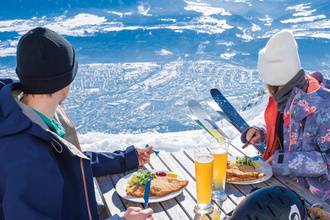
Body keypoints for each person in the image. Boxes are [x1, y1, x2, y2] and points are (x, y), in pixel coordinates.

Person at [0, 27, 154, 220]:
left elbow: (66, 161)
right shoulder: (28, 158)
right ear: (64, 80)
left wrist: (125, 159)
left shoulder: (25, 115)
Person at [241, 29, 330, 204]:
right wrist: (263, 134)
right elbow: (290, 137)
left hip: (318, 201)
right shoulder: (285, 100)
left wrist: (286, 161)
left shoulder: (323, 109)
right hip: (289, 188)